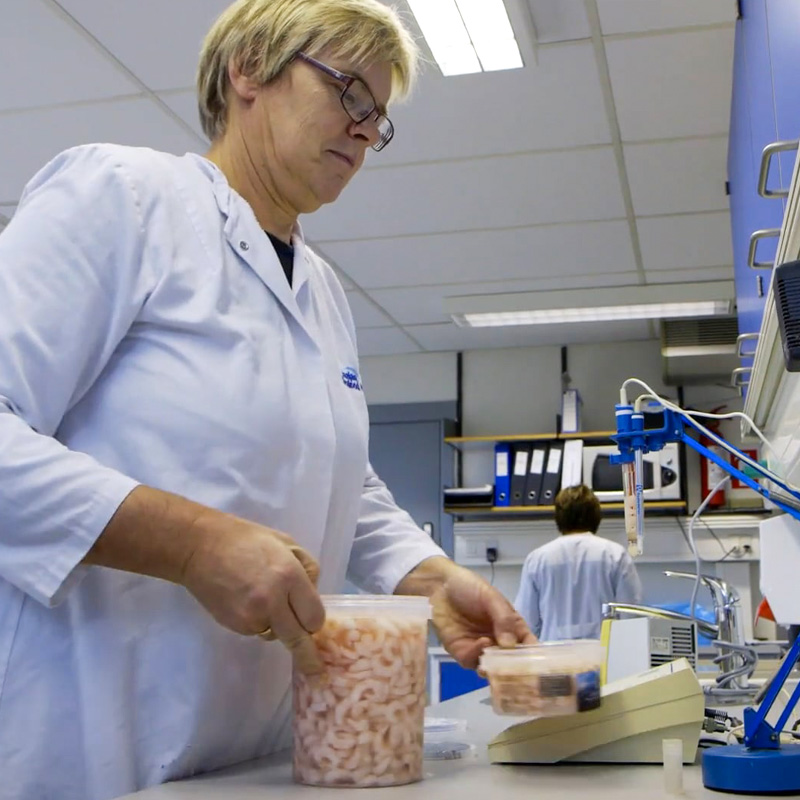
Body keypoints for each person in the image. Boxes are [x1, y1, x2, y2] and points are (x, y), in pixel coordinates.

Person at [0, 2, 534, 798]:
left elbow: (335, 474)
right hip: (92, 750)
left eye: (378, 116)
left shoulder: (321, 288)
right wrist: (190, 544)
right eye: (350, 92)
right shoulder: (125, 197)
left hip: (258, 758)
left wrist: (424, 576)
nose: (365, 130)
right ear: (249, 70)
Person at [514, 484, 642, 641]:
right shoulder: (616, 556)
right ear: (596, 517)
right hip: (604, 654)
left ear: (558, 518)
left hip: (553, 654)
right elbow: (631, 619)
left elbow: (526, 624)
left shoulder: (537, 560)